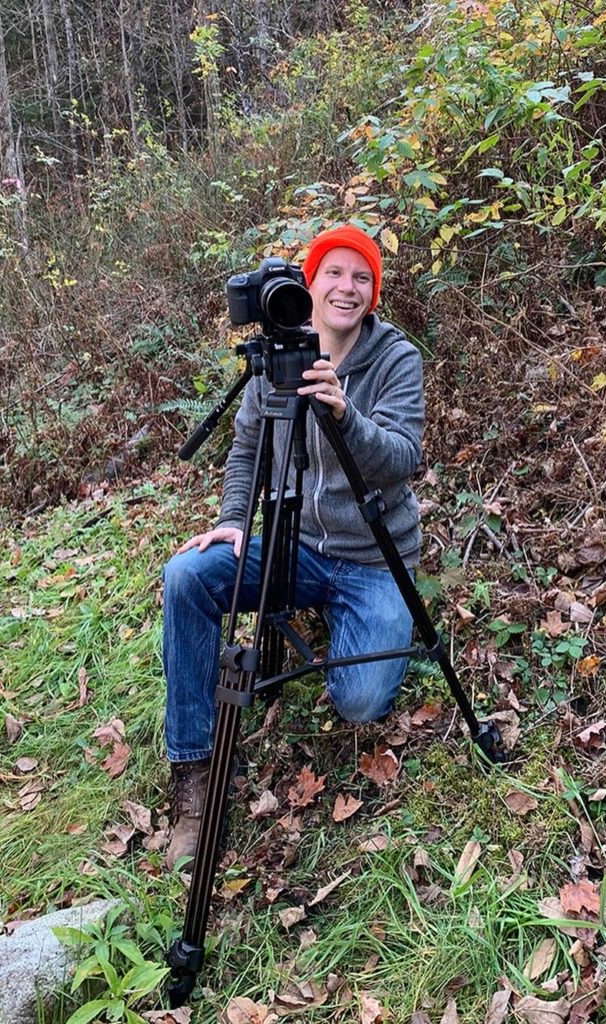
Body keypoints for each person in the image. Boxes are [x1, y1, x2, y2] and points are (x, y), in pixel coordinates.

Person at [161, 224, 425, 870]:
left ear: (374, 292)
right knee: (187, 577)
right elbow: (248, 447)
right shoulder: (277, 354)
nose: (348, 286)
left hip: (372, 556)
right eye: (334, 272)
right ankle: (194, 776)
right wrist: (232, 520)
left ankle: (357, 621)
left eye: (361, 277)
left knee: (361, 701)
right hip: (297, 546)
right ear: (309, 284)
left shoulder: (395, 359)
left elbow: (402, 459)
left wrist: (344, 414)